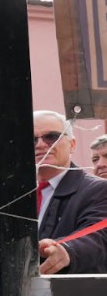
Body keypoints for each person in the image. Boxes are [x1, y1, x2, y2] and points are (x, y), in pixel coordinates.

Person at [34, 110, 107, 274]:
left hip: (73, 295)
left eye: (51, 137)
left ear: (72, 144)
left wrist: (67, 250)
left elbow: (99, 235)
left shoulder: (99, 189)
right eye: (32, 139)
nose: (40, 144)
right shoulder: (12, 198)